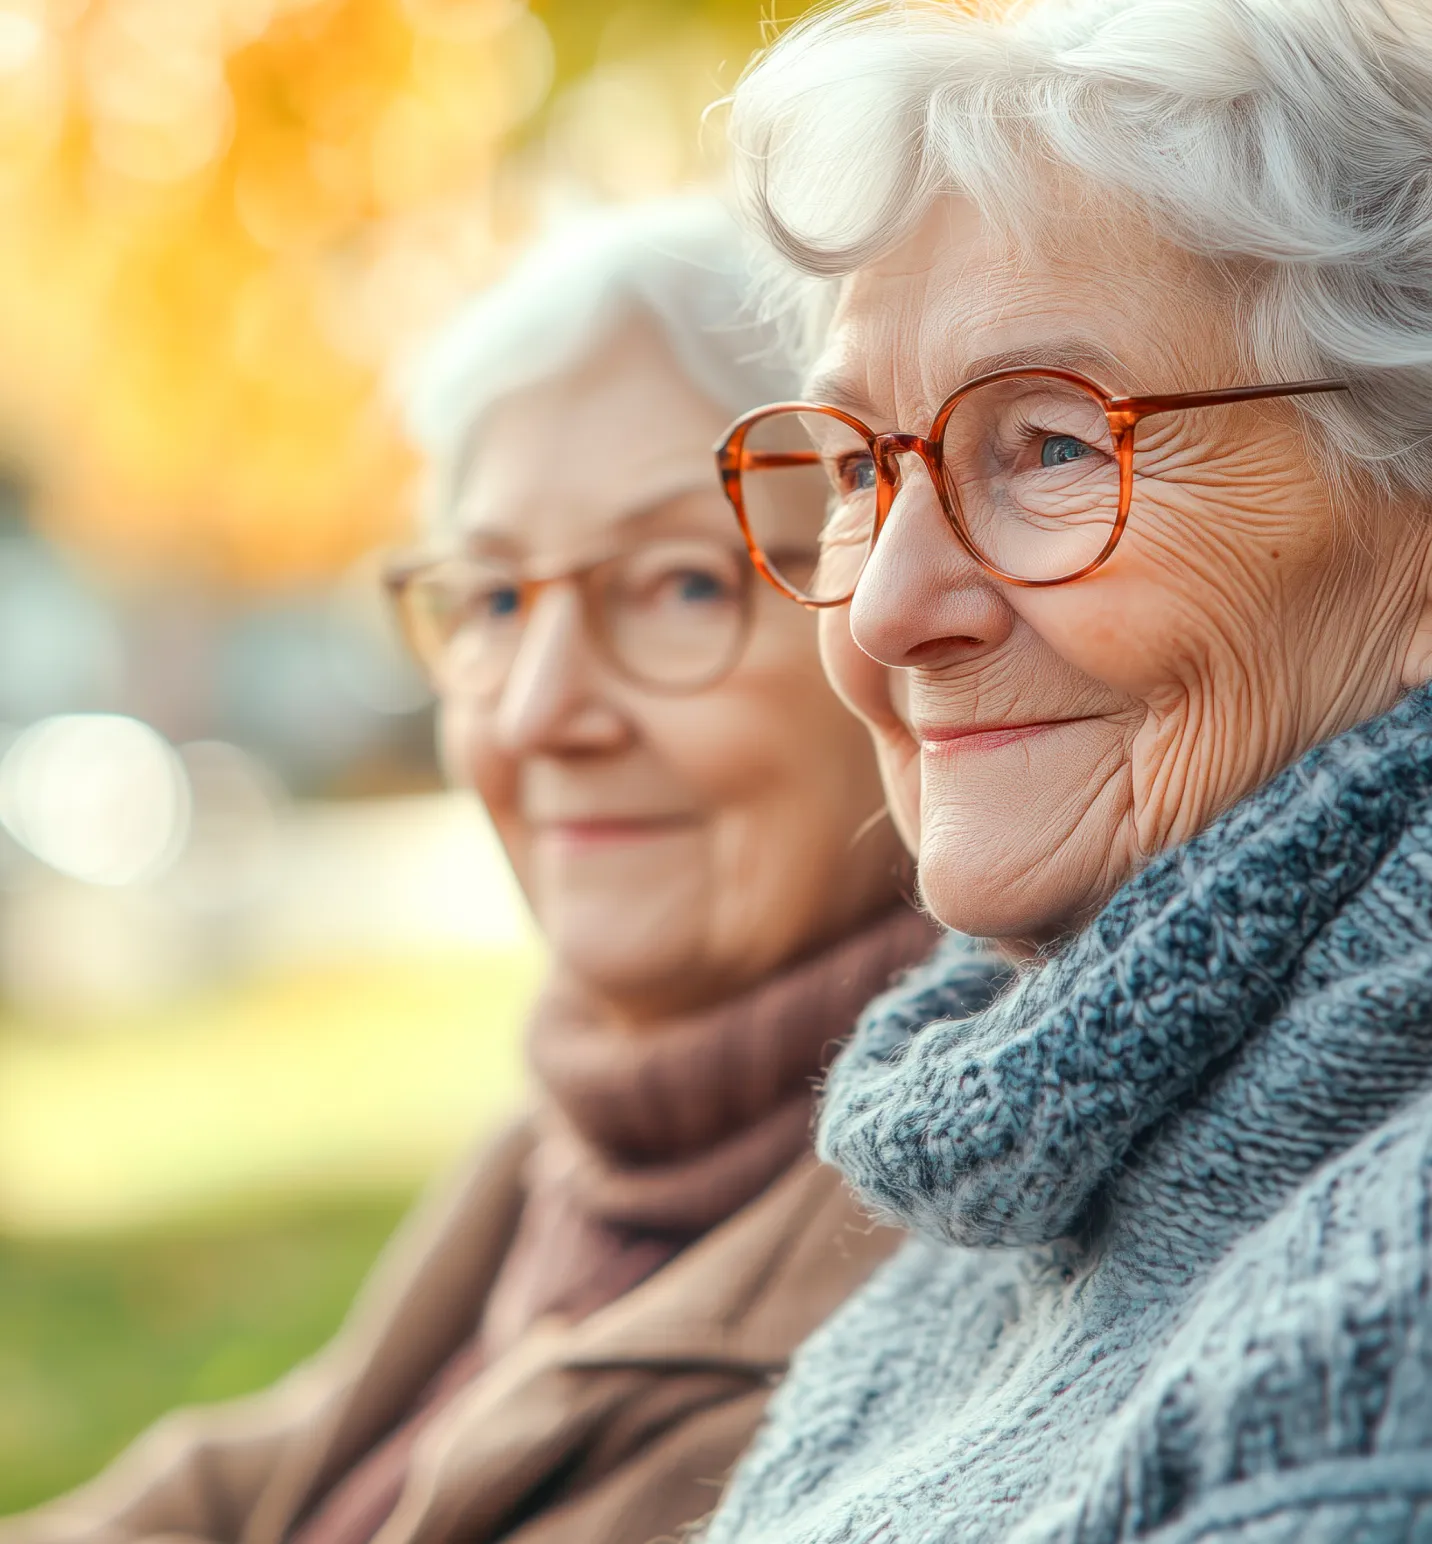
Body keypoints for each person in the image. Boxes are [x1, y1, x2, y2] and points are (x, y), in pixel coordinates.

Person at [5, 201, 933, 1544]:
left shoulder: (933, 1266)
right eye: (494, 601)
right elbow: (267, 1475)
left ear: (890, 607)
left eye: (679, 584)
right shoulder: (579, 1157)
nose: (541, 711)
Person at [696, 2, 1432, 1539]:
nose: (892, 610)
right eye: (856, 470)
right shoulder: (1009, 1214)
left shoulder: (1374, 1359)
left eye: (1050, 448)